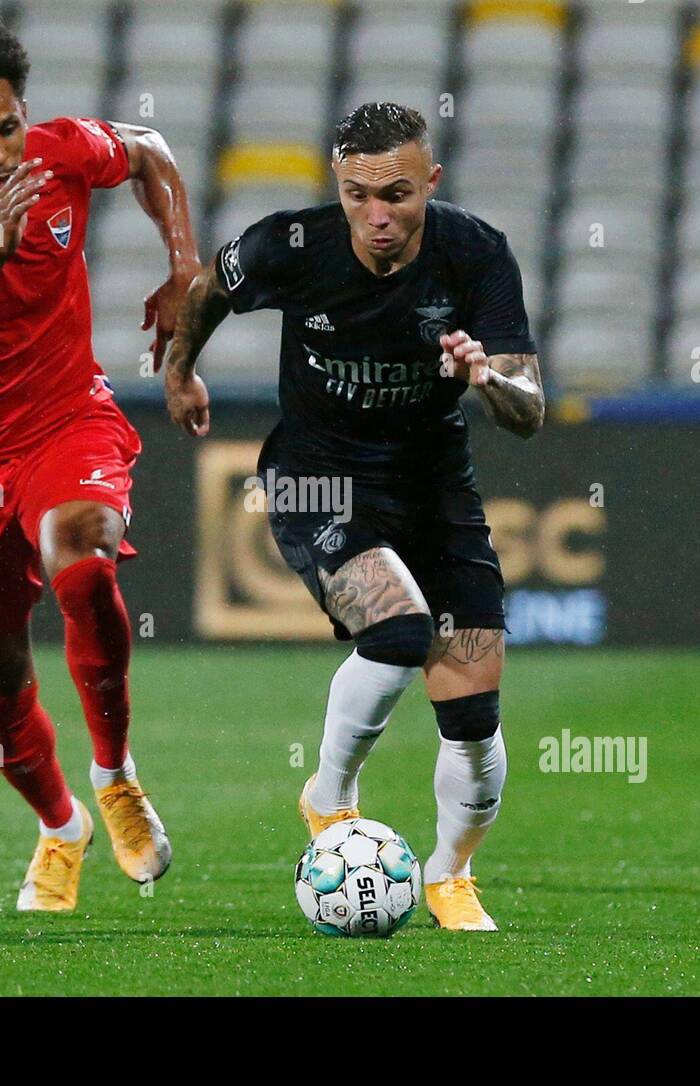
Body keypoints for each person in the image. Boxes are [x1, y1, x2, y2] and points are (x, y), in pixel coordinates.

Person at [163, 102, 543, 931]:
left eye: (397, 195)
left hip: (434, 485)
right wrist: (180, 369)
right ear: (337, 186)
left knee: (474, 720)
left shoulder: (475, 254)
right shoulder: (290, 245)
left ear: (430, 183)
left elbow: (529, 408)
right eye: (357, 194)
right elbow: (206, 287)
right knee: (400, 632)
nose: (376, 216)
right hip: (317, 476)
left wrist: (488, 380)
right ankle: (329, 797)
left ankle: (448, 874)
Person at [0, 17, 200, 910]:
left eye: (7, 126)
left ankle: (116, 774)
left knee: (87, 556)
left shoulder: (62, 155)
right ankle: (62, 826)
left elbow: (151, 152)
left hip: (65, 422)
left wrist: (183, 270)